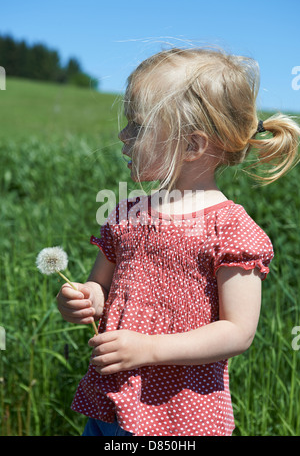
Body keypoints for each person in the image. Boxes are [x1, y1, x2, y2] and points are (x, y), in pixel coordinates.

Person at [56, 47, 300, 436]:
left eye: (138, 125)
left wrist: (148, 350)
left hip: (180, 417)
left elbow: (238, 332)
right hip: (110, 404)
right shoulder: (127, 213)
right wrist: (83, 298)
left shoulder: (231, 229)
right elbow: (99, 286)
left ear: (192, 146)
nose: (123, 135)